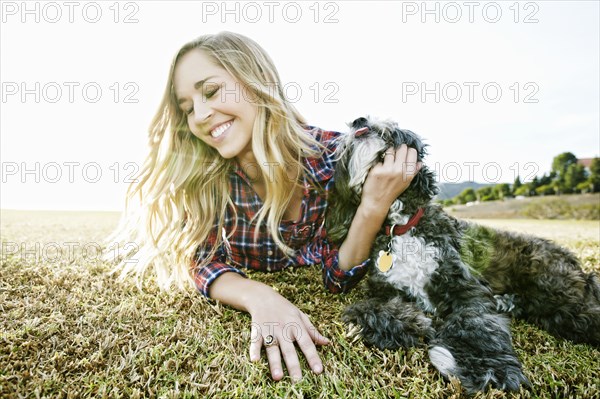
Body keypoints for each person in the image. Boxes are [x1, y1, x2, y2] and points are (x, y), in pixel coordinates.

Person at [105, 31, 420, 383]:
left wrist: (372, 208)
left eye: (210, 92)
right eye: (188, 108)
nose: (201, 115)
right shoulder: (208, 182)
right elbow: (202, 262)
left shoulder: (338, 158)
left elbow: (339, 277)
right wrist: (258, 296)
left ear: (256, 81)